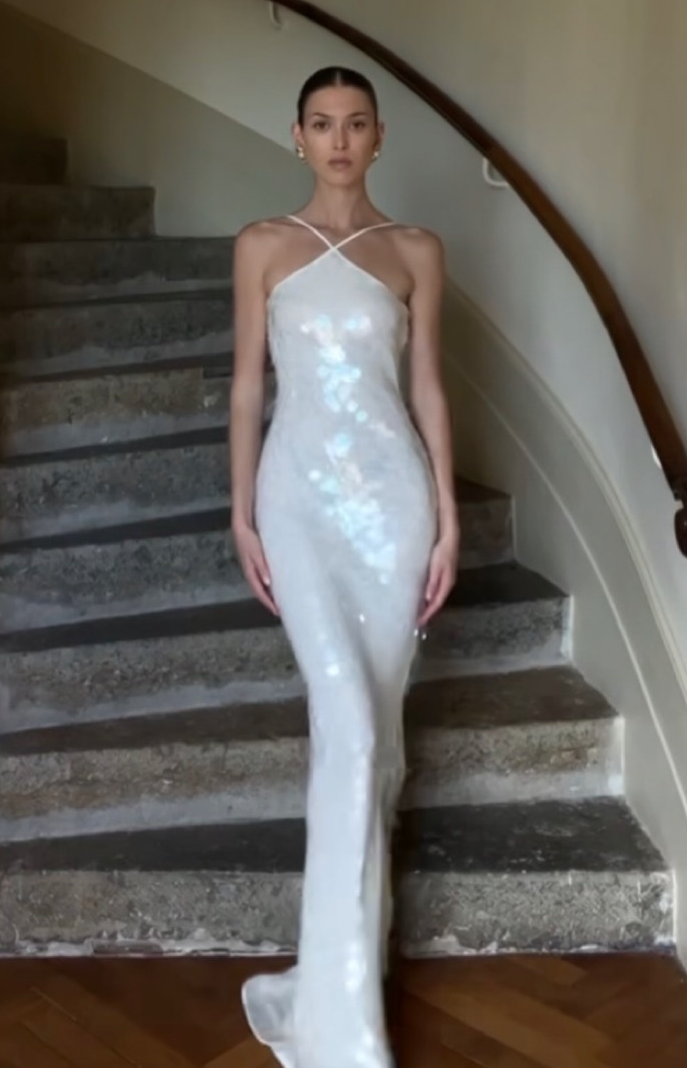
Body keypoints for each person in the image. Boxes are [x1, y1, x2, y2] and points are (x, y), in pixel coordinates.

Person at [228, 65, 459, 1068]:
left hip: (393, 508)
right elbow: (247, 389)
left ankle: (345, 977)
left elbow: (429, 388)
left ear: (378, 137)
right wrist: (240, 511)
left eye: (355, 123)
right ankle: (341, 1031)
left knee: (372, 741)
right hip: (296, 502)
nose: (337, 139)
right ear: (297, 136)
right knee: (349, 728)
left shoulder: (415, 251)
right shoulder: (261, 246)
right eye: (320, 123)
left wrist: (448, 522)